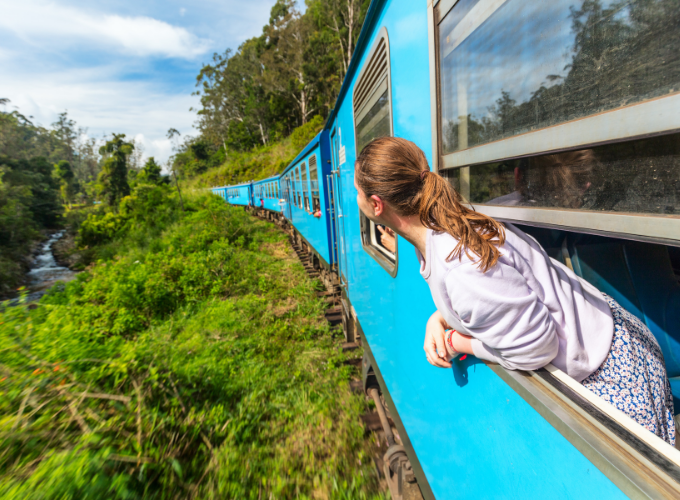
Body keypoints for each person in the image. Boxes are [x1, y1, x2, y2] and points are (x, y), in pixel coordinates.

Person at [353, 136, 675, 445]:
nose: (355, 198)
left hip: (615, 372)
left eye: (357, 192)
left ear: (377, 204)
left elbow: (537, 348)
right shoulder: (445, 227)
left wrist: (457, 342)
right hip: (608, 338)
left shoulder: (458, 267)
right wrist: (440, 318)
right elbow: (501, 290)